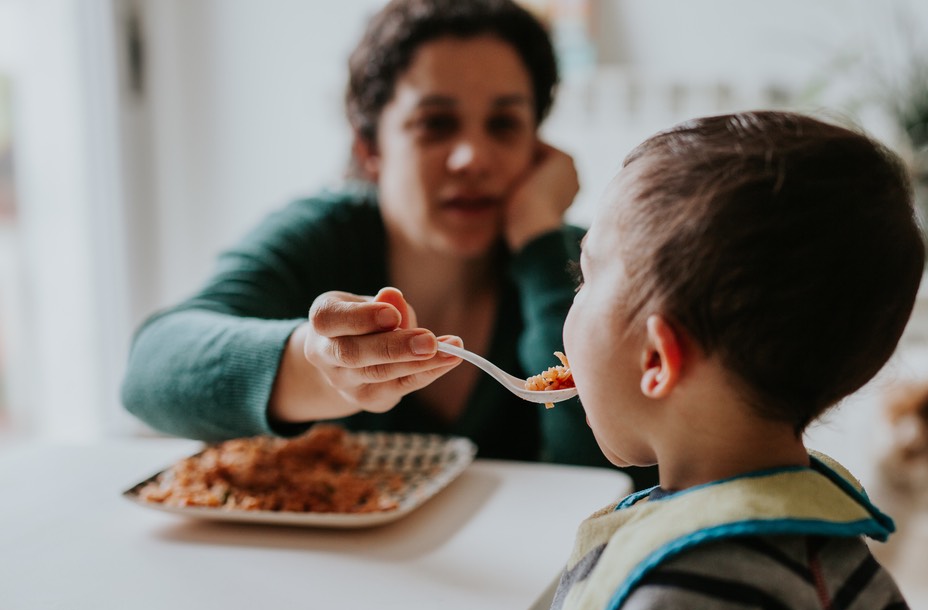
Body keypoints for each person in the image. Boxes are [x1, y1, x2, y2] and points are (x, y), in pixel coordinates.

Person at [382, 111, 928, 610]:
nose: (570, 304)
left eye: (582, 277)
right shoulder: (812, 535)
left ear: (655, 359)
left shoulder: (691, 599)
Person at [121, 0, 652, 482]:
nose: (472, 157)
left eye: (504, 124)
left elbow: (613, 480)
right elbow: (151, 371)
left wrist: (539, 238)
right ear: (370, 147)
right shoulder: (322, 234)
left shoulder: (574, 262)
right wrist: (316, 365)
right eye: (436, 124)